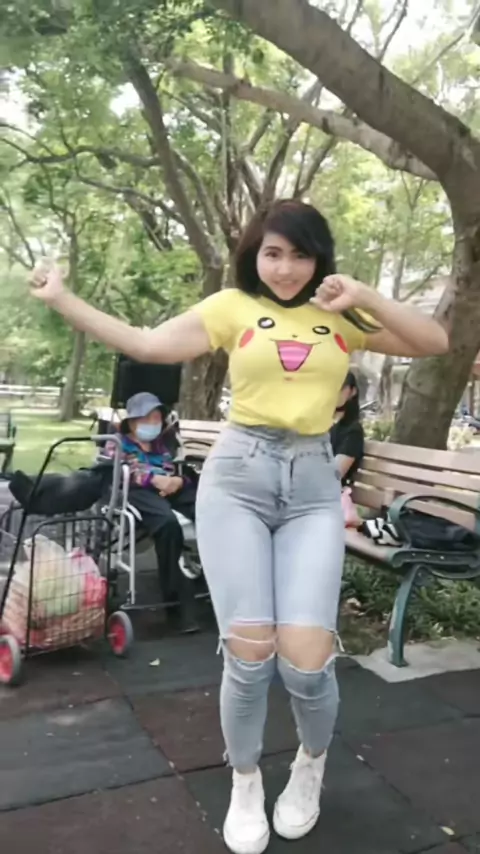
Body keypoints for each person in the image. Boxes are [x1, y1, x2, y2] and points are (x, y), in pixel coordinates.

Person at [30, 200, 448, 854]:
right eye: (273, 253)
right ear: (255, 255)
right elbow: (145, 343)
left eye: (300, 254)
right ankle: (246, 778)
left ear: (320, 259)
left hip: (311, 488)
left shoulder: (342, 316)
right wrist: (61, 298)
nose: (285, 268)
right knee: (250, 651)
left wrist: (365, 295)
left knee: (307, 658)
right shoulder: (231, 307)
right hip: (238, 480)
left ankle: (310, 764)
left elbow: (435, 342)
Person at [105, 391, 199, 634]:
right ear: (132, 422)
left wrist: (177, 481)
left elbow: (182, 469)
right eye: (146, 418)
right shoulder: (117, 442)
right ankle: (175, 605)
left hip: (170, 487)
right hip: (136, 490)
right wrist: (153, 479)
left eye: (156, 418)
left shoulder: (164, 442)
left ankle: (216, 578)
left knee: (207, 507)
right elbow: (117, 472)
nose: (152, 423)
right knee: (168, 524)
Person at [330, 370, 364, 486]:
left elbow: (334, 475)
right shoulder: (319, 424)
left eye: (340, 387)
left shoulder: (353, 431)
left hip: (327, 492)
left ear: (352, 391)